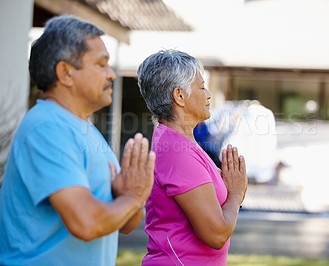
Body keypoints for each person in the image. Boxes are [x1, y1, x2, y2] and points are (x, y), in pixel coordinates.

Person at [0, 15, 155, 265]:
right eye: (101, 64)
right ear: (66, 72)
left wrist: (131, 197)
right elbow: (87, 223)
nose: (112, 74)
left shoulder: (85, 129)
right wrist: (132, 199)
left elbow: (125, 224)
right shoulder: (46, 127)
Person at [137, 49, 248, 265]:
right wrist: (235, 194)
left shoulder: (182, 143)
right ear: (179, 96)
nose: (208, 95)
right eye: (202, 87)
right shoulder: (177, 152)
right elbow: (215, 235)